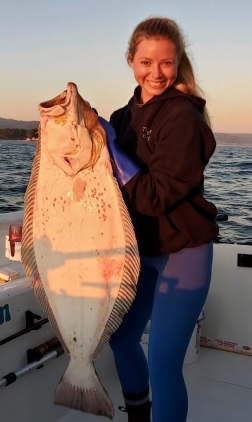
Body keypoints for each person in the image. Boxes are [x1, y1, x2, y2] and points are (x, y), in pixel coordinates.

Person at [98, 16, 219, 422]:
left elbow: (153, 196)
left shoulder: (183, 116)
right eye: (146, 62)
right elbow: (103, 193)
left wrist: (112, 148)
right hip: (140, 251)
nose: (156, 72)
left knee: (165, 365)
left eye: (166, 63)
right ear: (131, 61)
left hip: (183, 252)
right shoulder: (120, 116)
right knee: (122, 339)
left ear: (178, 62)